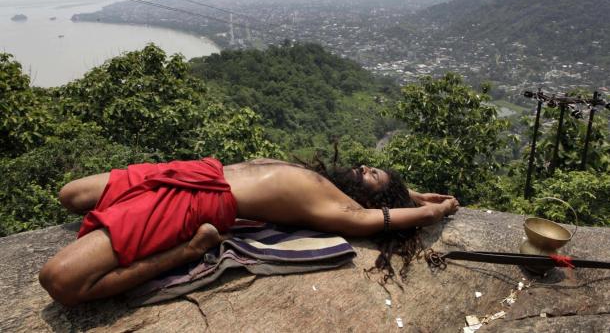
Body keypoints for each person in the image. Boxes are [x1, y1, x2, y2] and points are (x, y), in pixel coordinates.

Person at [39, 157, 459, 307]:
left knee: (60, 281)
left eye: (372, 177)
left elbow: (382, 218)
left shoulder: (342, 209)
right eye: (369, 167)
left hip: (198, 205)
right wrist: (416, 192)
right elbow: (384, 198)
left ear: (372, 200)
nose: (364, 169)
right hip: (195, 172)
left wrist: (438, 209)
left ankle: (188, 250)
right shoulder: (324, 180)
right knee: (71, 195)